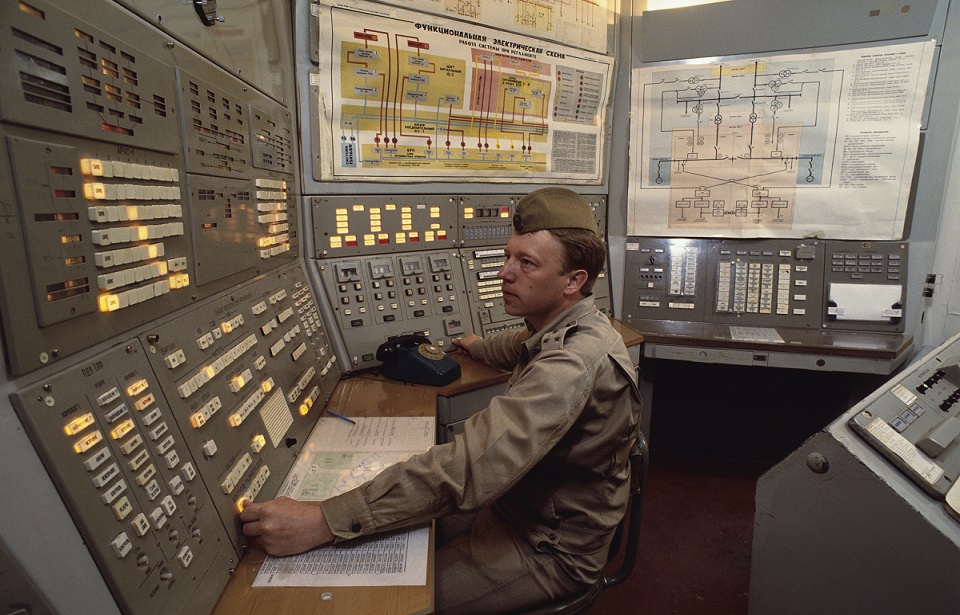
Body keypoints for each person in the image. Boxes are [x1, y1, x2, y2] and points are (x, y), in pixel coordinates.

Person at [240, 187, 643, 613]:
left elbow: (471, 466)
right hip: (515, 505)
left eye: (526, 264)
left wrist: (323, 520)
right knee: (396, 524)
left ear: (573, 280)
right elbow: (520, 344)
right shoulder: (563, 324)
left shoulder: (574, 363)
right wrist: (476, 345)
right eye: (509, 256)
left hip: (549, 546)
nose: (505, 273)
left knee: (388, 604)